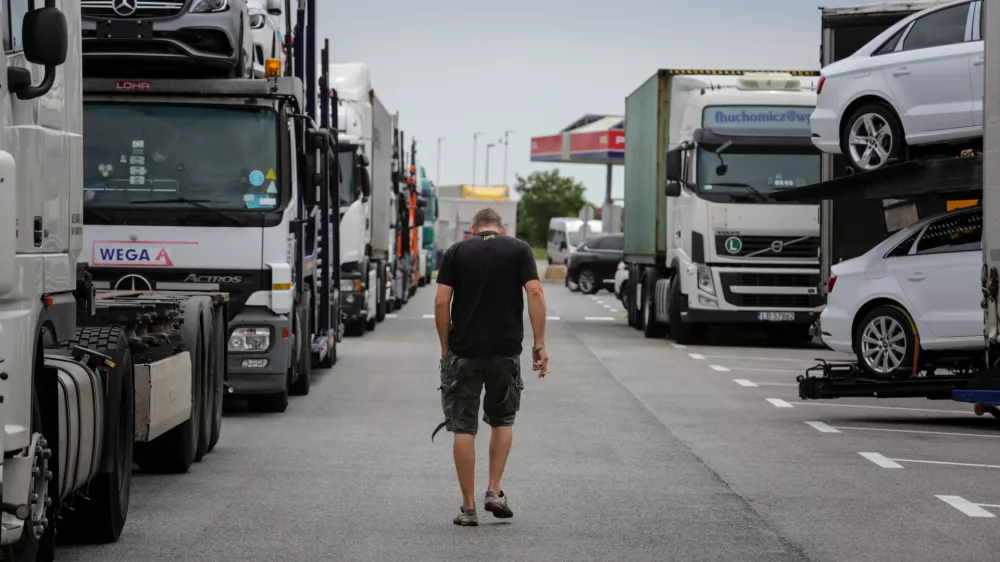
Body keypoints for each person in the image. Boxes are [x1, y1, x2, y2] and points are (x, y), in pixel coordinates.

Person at [432, 207, 549, 527]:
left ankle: (468, 508)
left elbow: (441, 301)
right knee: (502, 420)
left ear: (473, 229)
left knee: (463, 428)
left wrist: (445, 347)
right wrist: (539, 344)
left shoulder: (456, 251)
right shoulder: (519, 249)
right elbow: (535, 291)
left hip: (464, 351)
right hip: (505, 351)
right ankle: (494, 491)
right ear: (503, 228)